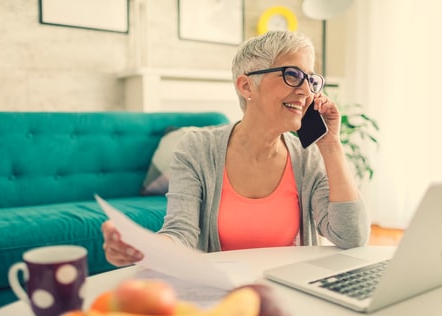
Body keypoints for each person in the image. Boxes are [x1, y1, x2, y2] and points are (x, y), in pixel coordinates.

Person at [102, 30, 370, 267]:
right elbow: (181, 231)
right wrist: (147, 249)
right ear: (246, 86)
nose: (306, 91)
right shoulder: (197, 149)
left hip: (291, 292)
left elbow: (351, 236)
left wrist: (331, 145)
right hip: (221, 296)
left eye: (311, 80)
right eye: (292, 75)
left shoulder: (308, 154)